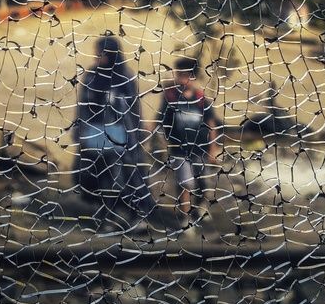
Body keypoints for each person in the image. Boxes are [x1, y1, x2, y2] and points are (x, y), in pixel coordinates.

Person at [73, 35, 156, 231]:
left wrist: (137, 131)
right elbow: (83, 106)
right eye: (97, 54)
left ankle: (136, 216)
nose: (97, 58)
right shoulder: (91, 76)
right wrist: (80, 131)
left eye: (101, 54)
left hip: (123, 136)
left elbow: (133, 107)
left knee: (129, 175)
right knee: (102, 177)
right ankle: (107, 218)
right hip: (97, 136)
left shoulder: (125, 77)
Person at [157, 56, 220, 226]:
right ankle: (185, 218)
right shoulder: (171, 98)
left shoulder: (201, 99)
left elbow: (211, 124)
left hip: (200, 149)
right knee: (186, 184)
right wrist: (164, 144)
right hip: (179, 150)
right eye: (179, 75)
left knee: (202, 184)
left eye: (185, 75)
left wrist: (213, 149)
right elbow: (162, 122)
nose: (181, 79)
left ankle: (200, 207)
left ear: (192, 77)